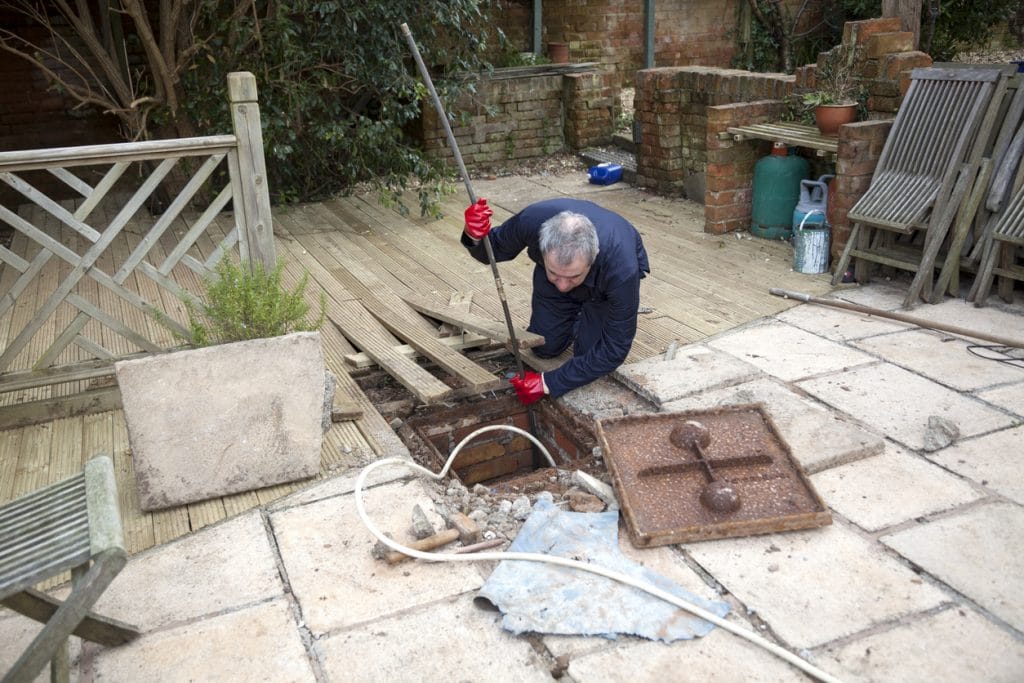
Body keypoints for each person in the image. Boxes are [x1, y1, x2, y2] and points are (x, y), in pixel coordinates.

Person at [462, 197, 650, 406]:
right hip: (553, 279)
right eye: (555, 273)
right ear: (542, 246)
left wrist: (548, 382)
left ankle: (586, 311)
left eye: (574, 277)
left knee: (589, 356)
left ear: (592, 258)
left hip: (602, 290)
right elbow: (493, 250)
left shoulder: (622, 269)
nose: (563, 286)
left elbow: (614, 349)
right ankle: (571, 302)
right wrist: (473, 234)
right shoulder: (532, 221)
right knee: (544, 347)